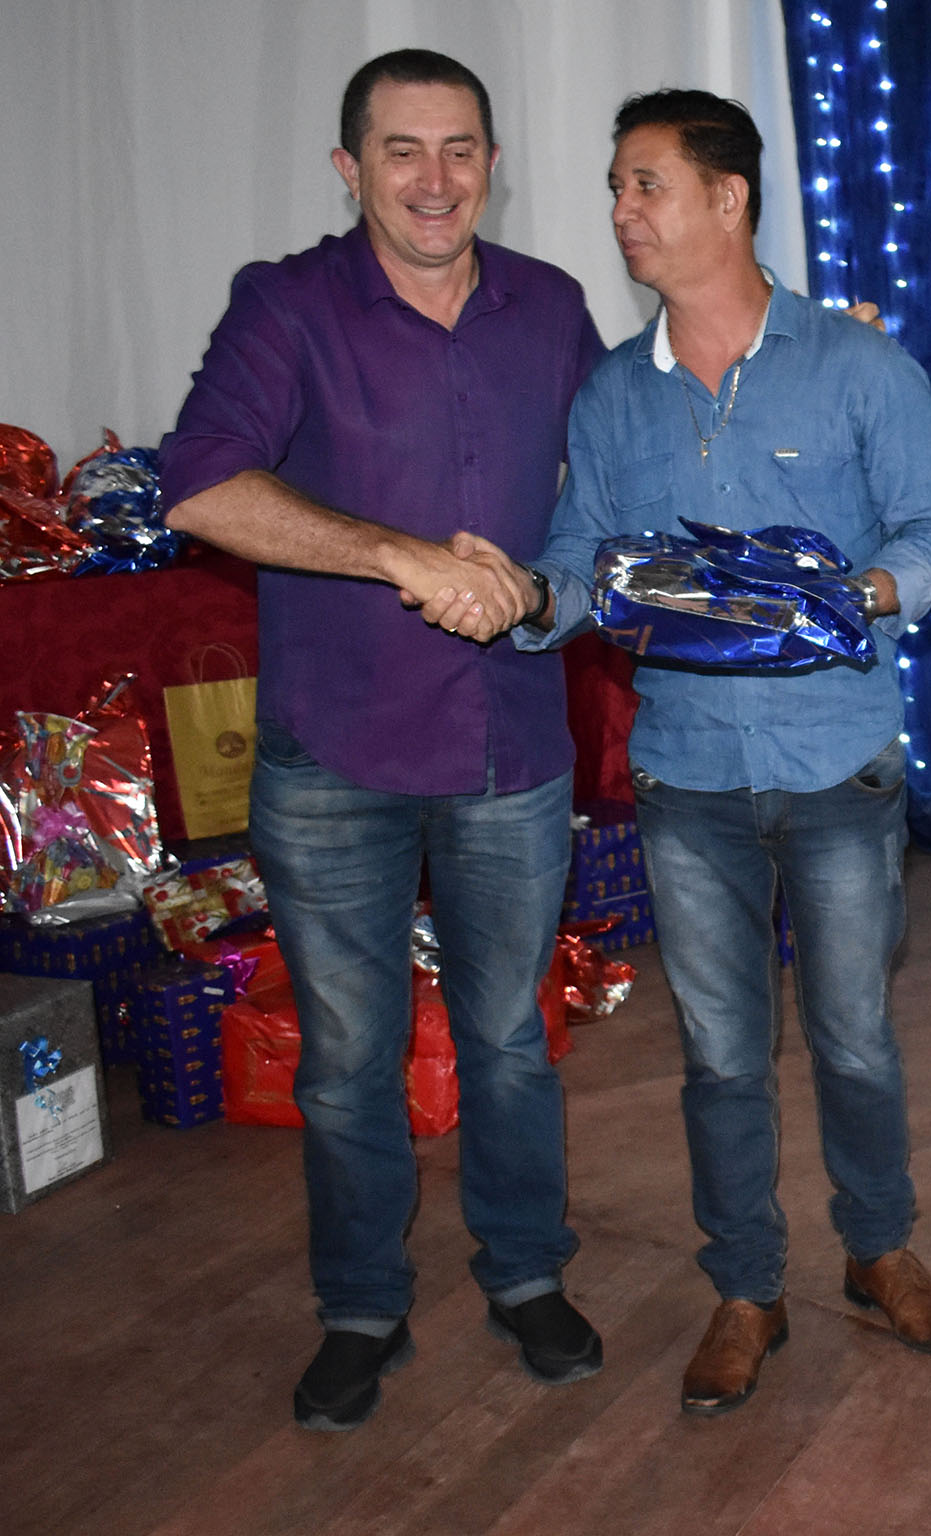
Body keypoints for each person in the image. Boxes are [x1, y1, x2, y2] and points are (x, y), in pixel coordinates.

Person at [431, 87, 931, 1417]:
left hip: (839, 764)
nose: (623, 211)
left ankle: (878, 1249)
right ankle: (746, 1288)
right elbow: (582, 566)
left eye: (647, 184)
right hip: (686, 782)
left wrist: (861, 594)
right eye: (616, 188)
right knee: (723, 1055)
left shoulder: (857, 366)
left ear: (728, 199)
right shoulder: (613, 397)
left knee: (855, 1038)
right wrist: (522, 598)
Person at [158, 48, 605, 1432]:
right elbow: (200, 486)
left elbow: (617, 476)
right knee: (348, 1057)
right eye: (402, 150)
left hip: (510, 745)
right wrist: (397, 555)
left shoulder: (552, 305)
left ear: (493, 166)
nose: (434, 178)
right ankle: (361, 1305)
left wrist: (801, 351)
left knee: (509, 1039)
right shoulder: (286, 304)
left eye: (460, 148)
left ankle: (527, 1274)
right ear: (350, 169)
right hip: (334, 756)